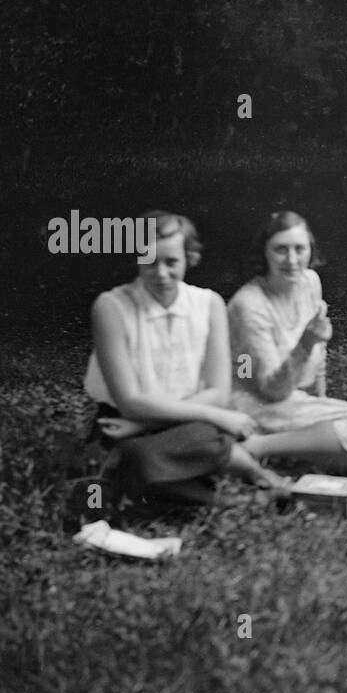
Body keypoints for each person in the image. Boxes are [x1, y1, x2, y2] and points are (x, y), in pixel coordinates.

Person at [83, 210, 287, 507]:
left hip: (183, 424)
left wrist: (146, 425)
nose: (161, 274)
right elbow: (129, 401)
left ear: (189, 258)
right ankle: (240, 500)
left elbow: (217, 393)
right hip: (123, 421)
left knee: (197, 438)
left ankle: (252, 473)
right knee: (139, 458)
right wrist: (215, 416)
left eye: (171, 262)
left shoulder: (209, 304)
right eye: (150, 262)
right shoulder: (111, 306)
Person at [227, 211, 347, 471]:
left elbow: (318, 357)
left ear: (310, 249)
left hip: (294, 400)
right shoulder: (249, 305)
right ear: (265, 252)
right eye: (281, 250)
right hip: (255, 405)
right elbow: (272, 390)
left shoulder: (309, 282)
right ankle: (256, 448)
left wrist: (322, 404)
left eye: (300, 249)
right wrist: (305, 344)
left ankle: (292, 449)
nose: (292, 260)